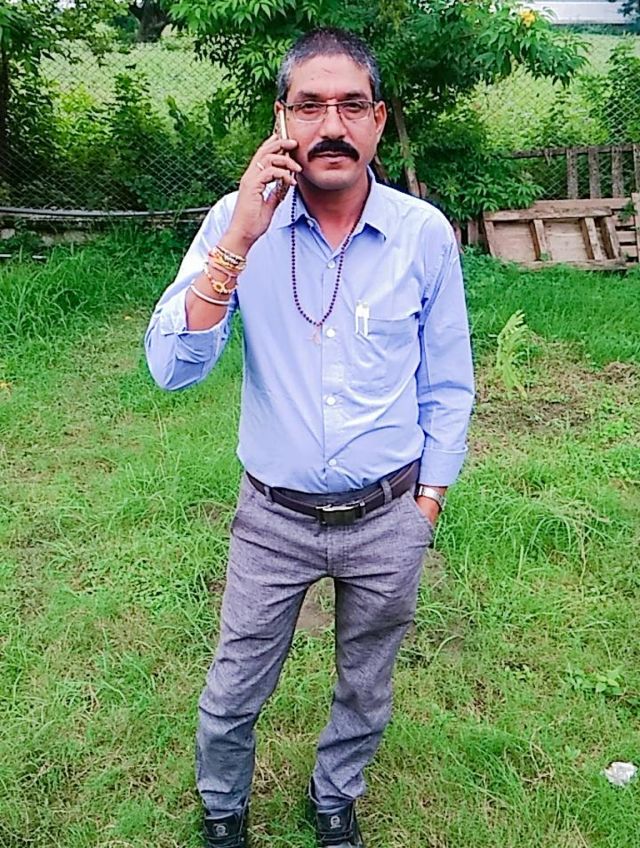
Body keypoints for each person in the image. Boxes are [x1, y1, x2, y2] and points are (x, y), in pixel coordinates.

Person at [145, 27, 474, 848]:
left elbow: (448, 382)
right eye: (310, 106)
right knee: (233, 689)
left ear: (377, 120)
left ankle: (336, 798)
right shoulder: (237, 223)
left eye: (351, 106)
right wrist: (239, 240)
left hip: (389, 515)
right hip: (273, 520)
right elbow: (172, 368)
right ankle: (223, 811)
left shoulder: (423, 234)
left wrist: (428, 505)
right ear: (281, 119)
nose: (331, 125)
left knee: (366, 684)